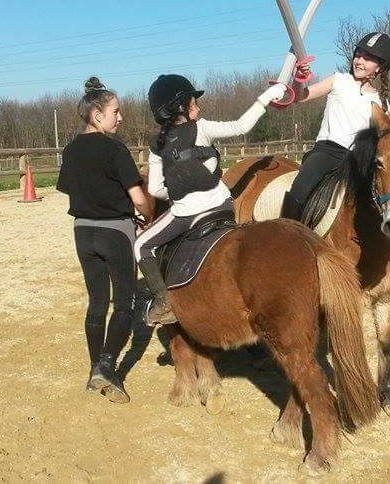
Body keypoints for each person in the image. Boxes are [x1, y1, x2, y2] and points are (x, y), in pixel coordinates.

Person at [135, 75, 287, 325]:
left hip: (186, 214)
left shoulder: (155, 145)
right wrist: (267, 97)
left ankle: (164, 303)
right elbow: (241, 126)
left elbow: (155, 189)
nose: (198, 107)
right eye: (193, 102)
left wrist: (179, 193)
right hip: (222, 205)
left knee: (141, 245)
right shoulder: (202, 128)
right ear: (180, 106)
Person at [57, 77, 154, 402]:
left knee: (97, 302)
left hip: (83, 232)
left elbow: (71, 189)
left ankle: (93, 370)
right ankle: (108, 365)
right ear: (97, 115)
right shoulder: (115, 149)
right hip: (116, 232)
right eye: (116, 112)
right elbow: (138, 198)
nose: (120, 118)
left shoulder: (70, 150)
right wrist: (147, 216)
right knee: (124, 303)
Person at [280, 32, 390, 221]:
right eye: (358, 55)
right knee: (300, 188)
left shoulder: (382, 103)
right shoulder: (338, 80)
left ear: (380, 67)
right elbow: (300, 97)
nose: (359, 61)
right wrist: (299, 78)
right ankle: (286, 228)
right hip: (327, 153)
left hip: (360, 162)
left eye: (368, 58)